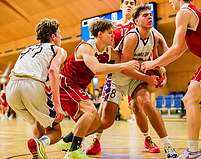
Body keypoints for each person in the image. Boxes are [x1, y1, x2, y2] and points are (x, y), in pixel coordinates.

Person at [141, 0, 201, 158]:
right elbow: (180, 50)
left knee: (189, 100)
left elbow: (176, 48)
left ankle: (193, 152)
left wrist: (154, 63)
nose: (170, 2)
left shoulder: (183, 13)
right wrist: (159, 64)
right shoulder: (191, 12)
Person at [91, 4, 178, 159]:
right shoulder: (118, 29)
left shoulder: (152, 32)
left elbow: (158, 53)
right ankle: (86, 139)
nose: (150, 17)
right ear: (122, 6)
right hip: (117, 75)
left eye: (133, 2)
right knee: (106, 119)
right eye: (145, 15)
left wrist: (160, 68)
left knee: (143, 104)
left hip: (135, 77)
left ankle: (164, 144)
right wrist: (148, 78)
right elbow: (124, 66)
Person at [55, 18, 139, 159]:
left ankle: (67, 141)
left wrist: (154, 65)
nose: (113, 36)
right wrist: (125, 65)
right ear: (99, 34)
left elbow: (127, 59)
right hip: (66, 83)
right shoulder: (87, 47)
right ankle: (73, 150)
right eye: (109, 33)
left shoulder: (108, 51)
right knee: (91, 112)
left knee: (96, 123)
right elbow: (97, 68)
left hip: (77, 86)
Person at [6, 18, 67, 159]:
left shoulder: (26, 50)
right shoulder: (58, 50)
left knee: (36, 121)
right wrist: (57, 106)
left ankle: (38, 152)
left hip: (11, 89)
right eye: (59, 33)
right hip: (31, 86)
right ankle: (41, 144)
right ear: (53, 37)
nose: (61, 37)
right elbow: (53, 71)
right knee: (55, 131)